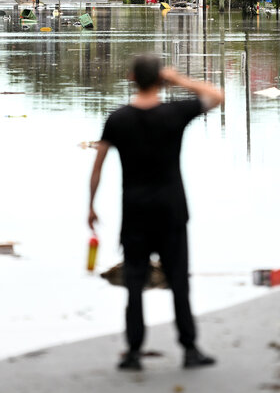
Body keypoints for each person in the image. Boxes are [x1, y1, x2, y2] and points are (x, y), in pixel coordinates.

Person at [88, 54, 224, 371]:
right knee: (178, 280)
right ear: (160, 79)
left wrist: (91, 206)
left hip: (135, 211)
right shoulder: (175, 113)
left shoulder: (118, 119)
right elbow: (216, 96)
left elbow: (98, 167)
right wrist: (179, 80)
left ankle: (134, 353)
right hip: (172, 210)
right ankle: (190, 350)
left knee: (134, 282)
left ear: (131, 78)